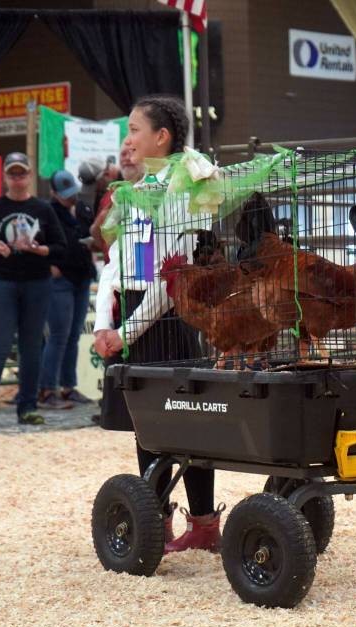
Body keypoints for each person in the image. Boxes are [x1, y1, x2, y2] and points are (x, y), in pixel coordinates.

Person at [94, 95, 223, 553]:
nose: (127, 140)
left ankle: (204, 522)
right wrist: (103, 323)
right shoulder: (136, 189)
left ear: (161, 137)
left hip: (170, 319)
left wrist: (125, 332)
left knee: (190, 424)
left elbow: (174, 278)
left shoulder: (181, 186)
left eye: (134, 129)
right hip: (132, 312)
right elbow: (115, 261)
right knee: (146, 426)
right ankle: (158, 522)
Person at [0, 153, 66, 429]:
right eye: (13, 174)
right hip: (3, 282)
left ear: (30, 175)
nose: (18, 179)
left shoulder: (43, 209)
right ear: (6, 177)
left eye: (22, 173)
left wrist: (40, 249)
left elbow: (61, 248)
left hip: (37, 283)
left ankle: (28, 406)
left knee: (32, 348)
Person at [37, 169, 96, 409]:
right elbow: (37, 242)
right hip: (61, 279)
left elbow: (91, 231)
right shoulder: (47, 213)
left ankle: (67, 386)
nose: (70, 198)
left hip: (81, 276)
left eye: (72, 193)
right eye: (64, 195)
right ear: (53, 193)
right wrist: (49, 264)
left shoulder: (82, 209)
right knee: (59, 335)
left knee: (73, 335)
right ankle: (46, 389)